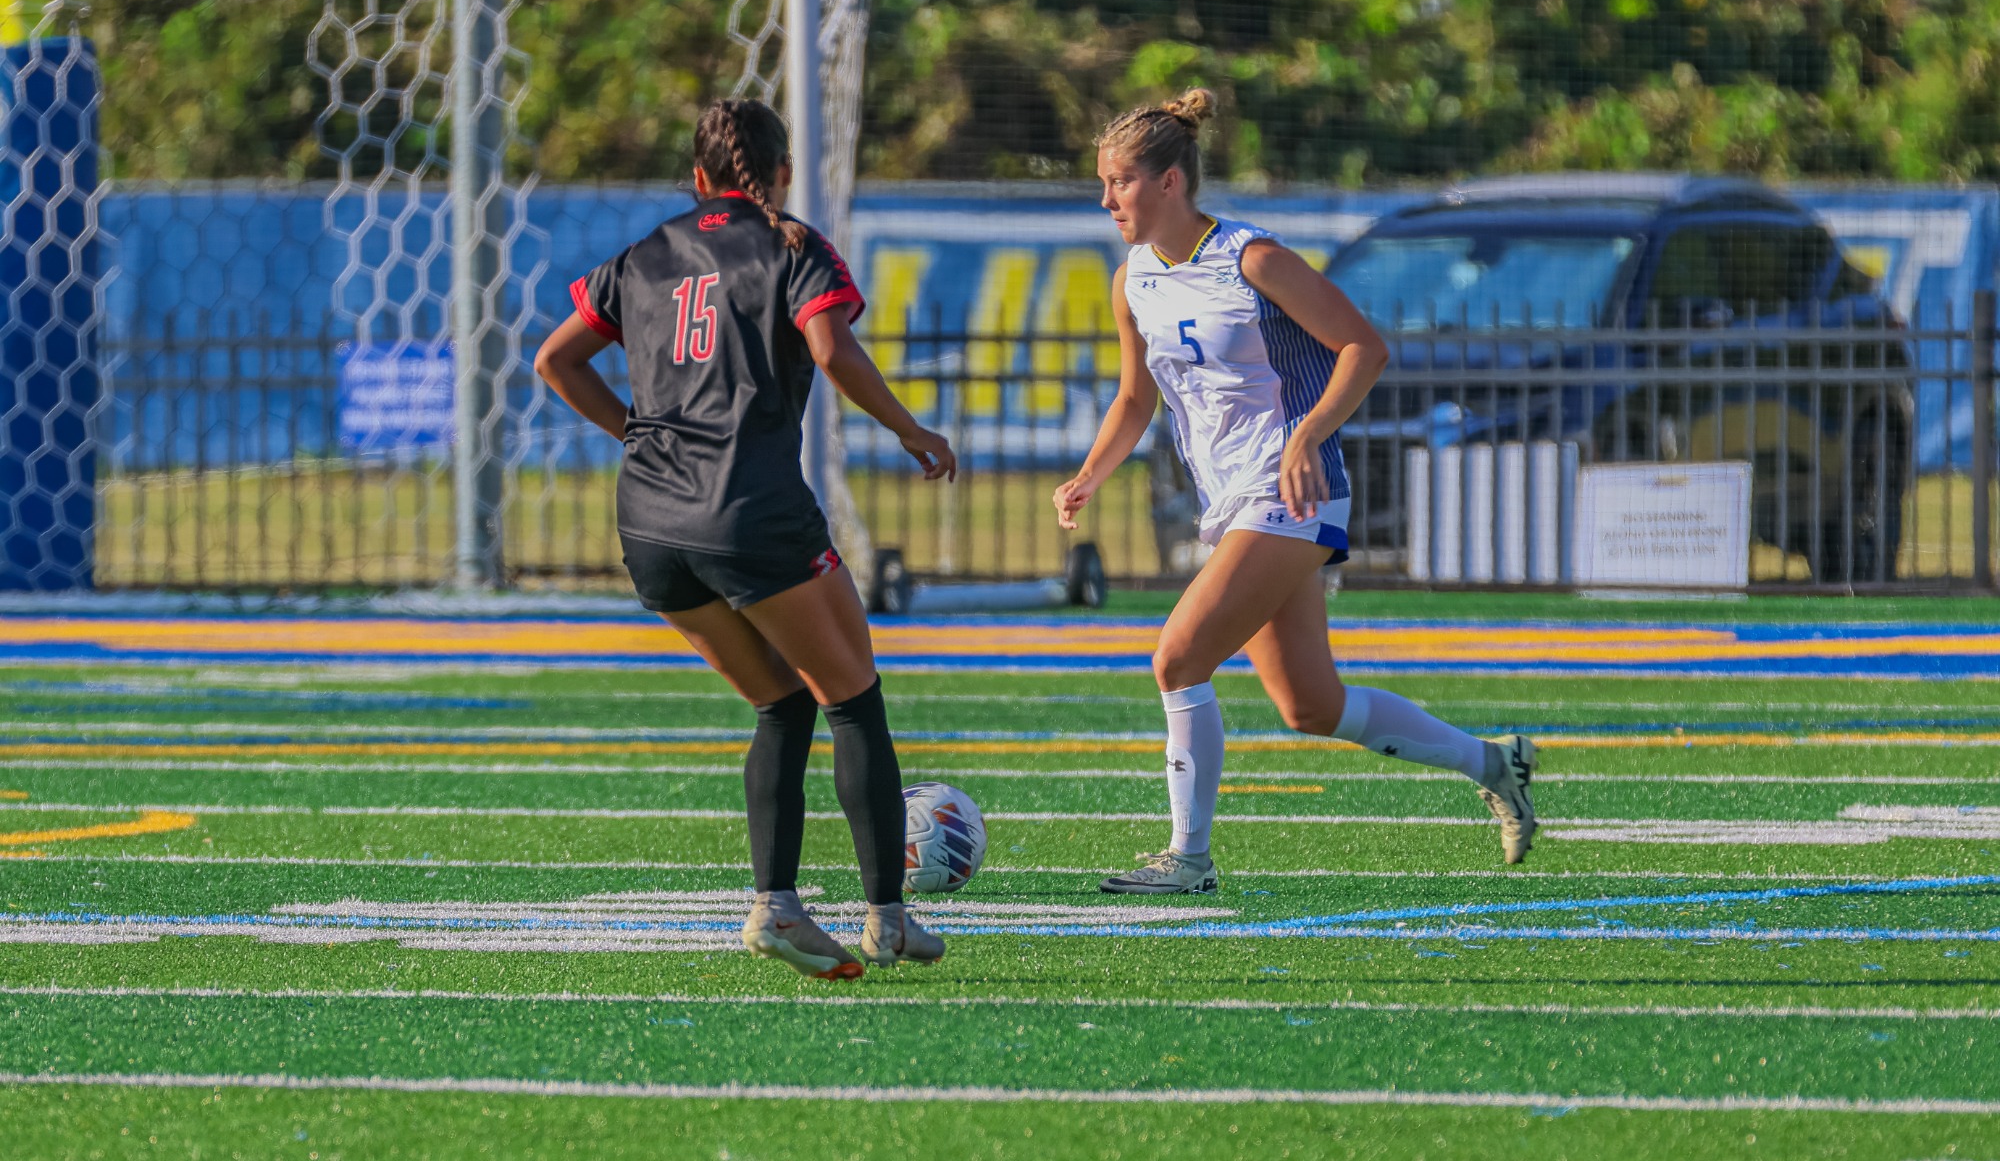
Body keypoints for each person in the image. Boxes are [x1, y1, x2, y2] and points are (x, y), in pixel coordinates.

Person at [1054, 89, 1537, 893]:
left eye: (1121, 182)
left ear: (1172, 182)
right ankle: (1495, 762)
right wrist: (1090, 474)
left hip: (1293, 492)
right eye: (1103, 183)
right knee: (1312, 704)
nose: (1107, 200)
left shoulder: (1252, 258)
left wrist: (1308, 434)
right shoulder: (1132, 278)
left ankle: (1190, 858)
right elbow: (1135, 398)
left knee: (1178, 656)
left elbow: (1363, 347)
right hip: (1233, 503)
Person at [536, 98, 953, 976]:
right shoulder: (793, 246)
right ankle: (888, 919)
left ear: (697, 179)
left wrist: (635, 435)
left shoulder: (644, 253)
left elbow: (554, 359)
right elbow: (833, 352)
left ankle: (777, 907)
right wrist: (911, 428)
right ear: (785, 171)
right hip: (748, 511)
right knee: (851, 696)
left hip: (649, 522)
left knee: (782, 701)